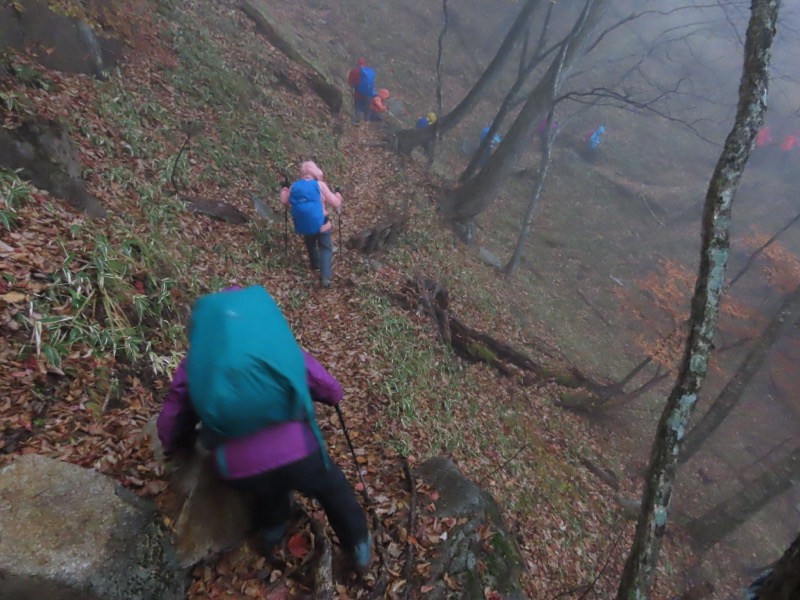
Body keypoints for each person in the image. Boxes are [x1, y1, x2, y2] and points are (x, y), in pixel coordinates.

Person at [156, 285, 372, 573]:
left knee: (267, 489)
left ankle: (272, 530)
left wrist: (174, 446)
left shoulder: (196, 364)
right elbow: (328, 387)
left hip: (237, 470)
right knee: (333, 490)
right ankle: (358, 546)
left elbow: (172, 416)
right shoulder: (275, 348)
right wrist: (331, 397)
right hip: (300, 456)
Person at [280, 161, 342, 289]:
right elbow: (335, 203)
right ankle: (325, 277)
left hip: (305, 224)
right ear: (316, 173)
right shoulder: (320, 185)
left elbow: (285, 201)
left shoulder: (295, 186)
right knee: (325, 248)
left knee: (310, 243)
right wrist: (338, 194)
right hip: (323, 224)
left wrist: (284, 189)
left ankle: (315, 264)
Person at [348, 58, 375, 122]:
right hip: (369, 93)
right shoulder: (370, 71)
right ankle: (367, 122)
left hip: (358, 92)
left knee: (357, 105)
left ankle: (357, 120)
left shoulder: (355, 71)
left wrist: (352, 89)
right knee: (367, 107)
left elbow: (350, 82)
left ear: (357, 63)